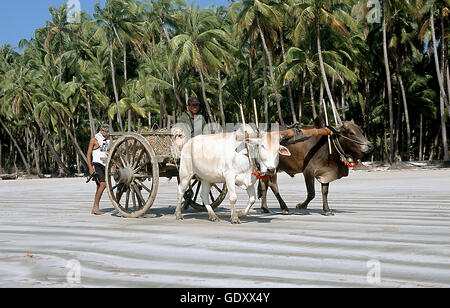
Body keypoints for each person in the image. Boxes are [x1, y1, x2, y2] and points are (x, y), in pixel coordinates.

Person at [86, 124, 111, 215]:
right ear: (101, 131)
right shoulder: (94, 140)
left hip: (105, 164)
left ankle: (95, 208)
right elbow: (88, 154)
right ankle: (96, 207)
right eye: (106, 132)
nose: (107, 134)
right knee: (103, 184)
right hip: (97, 164)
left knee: (99, 186)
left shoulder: (108, 140)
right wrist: (90, 167)